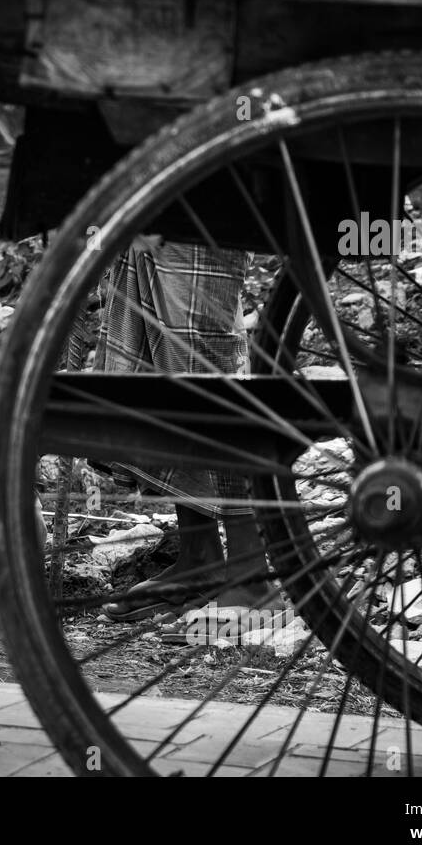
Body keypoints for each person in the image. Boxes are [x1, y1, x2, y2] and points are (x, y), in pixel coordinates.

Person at [92, 238, 282, 623]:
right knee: (171, 374)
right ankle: (200, 558)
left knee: (209, 379)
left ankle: (251, 576)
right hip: (164, 209)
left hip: (204, 210)